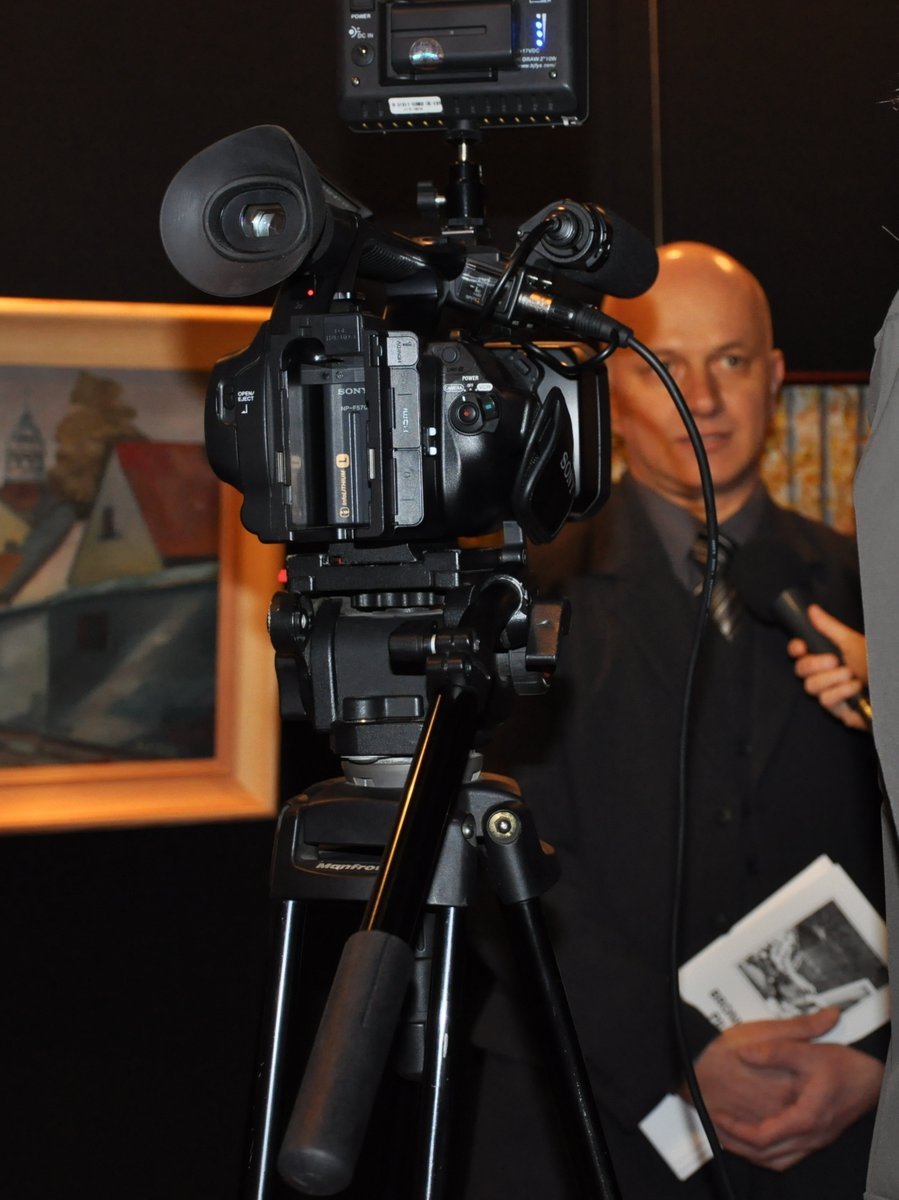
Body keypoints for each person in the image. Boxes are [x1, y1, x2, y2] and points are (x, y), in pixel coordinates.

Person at [460, 242, 887, 1200]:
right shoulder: (520, 593)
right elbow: (488, 849)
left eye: (729, 360)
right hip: (584, 1122)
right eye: (665, 366)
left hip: (842, 1128)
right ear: (611, 387)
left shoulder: (874, 591)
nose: (702, 398)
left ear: (773, 376)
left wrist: (882, 1067)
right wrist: (674, 1051)